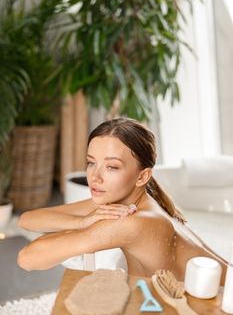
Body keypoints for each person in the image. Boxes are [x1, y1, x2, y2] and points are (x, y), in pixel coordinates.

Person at [17, 117, 227, 283]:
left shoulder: (134, 222)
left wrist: (85, 228)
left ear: (142, 176)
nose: (94, 176)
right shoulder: (127, 199)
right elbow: (26, 220)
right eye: (91, 162)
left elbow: (27, 258)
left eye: (112, 167)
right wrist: (80, 222)